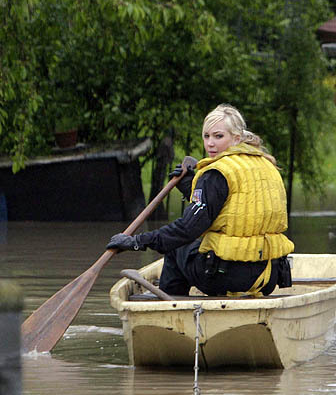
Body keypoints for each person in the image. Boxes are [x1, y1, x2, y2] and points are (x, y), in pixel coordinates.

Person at [106, 104, 294, 296]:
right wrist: (190, 184)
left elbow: (187, 229)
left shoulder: (217, 173)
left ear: (236, 138)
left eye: (218, 136)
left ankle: (170, 314)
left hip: (229, 276)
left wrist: (137, 241)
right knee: (190, 246)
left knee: (176, 247)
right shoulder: (267, 165)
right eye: (206, 136)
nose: (210, 143)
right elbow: (232, 210)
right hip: (269, 275)